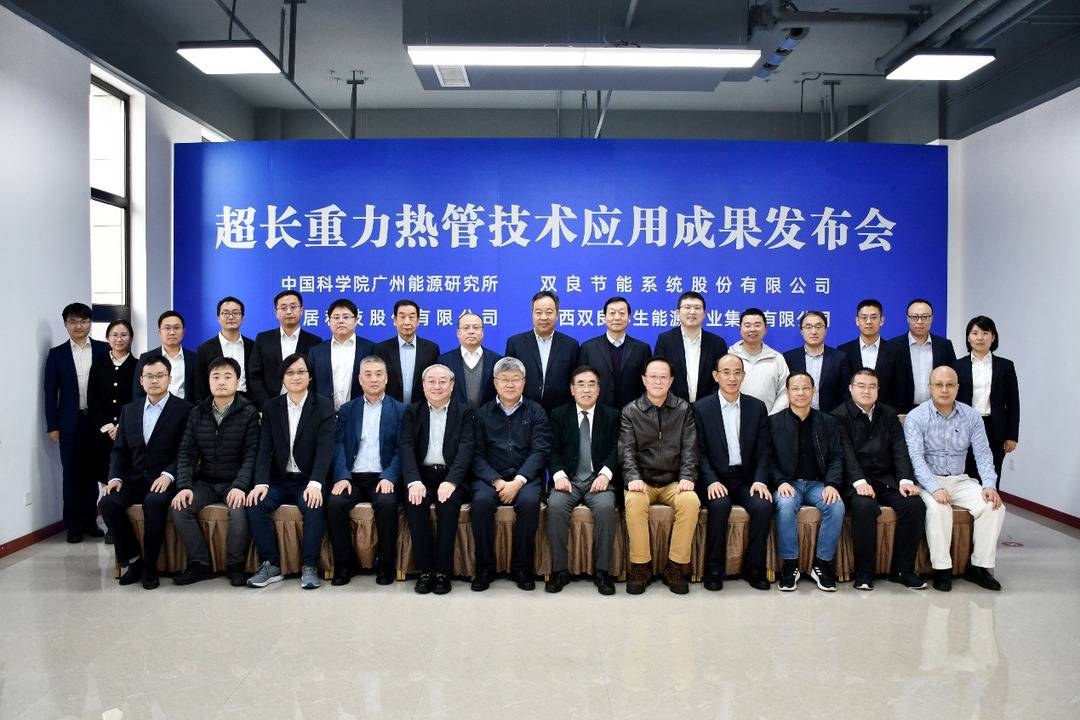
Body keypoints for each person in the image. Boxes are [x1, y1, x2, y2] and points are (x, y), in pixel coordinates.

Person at [904, 366, 1006, 592]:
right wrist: (934, 488)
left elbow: (983, 454)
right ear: (930, 387)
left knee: (993, 506)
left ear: (957, 388)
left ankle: (979, 567)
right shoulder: (916, 417)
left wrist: (989, 485)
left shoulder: (971, 416)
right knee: (939, 508)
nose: (944, 389)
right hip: (927, 480)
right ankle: (942, 569)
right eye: (939, 385)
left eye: (950, 385)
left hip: (960, 480)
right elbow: (916, 459)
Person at [99, 356, 193, 589]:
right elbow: (120, 450)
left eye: (160, 376)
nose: (154, 380)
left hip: (165, 479)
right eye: (149, 376)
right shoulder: (129, 410)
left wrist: (168, 475)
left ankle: (150, 566)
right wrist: (115, 477)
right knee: (107, 502)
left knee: (154, 502)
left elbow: (187, 451)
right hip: (134, 478)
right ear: (141, 380)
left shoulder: (185, 409)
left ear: (169, 378)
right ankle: (134, 560)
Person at [246, 353, 337, 590]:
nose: (296, 377)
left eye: (301, 372)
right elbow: (264, 448)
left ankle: (309, 566)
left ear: (310, 376)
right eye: (290, 373)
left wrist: (316, 483)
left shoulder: (323, 405)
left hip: (308, 479)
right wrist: (261, 482)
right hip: (279, 479)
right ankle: (271, 565)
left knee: (314, 505)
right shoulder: (271, 407)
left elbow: (325, 449)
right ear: (282, 378)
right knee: (255, 503)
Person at [831, 369, 927, 590]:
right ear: (851, 389)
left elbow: (899, 449)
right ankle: (865, 572)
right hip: (855, 481)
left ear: (878, 389)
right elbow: (844, 453)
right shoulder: (838, 416)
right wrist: (859, 482)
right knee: (865, 507)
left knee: (914, 505)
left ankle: (902, 571)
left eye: (872, 386)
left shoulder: (888, 414)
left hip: (885, 478)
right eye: (861, 386)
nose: (867, 390)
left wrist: (905, 480)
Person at [171, 357, 259, 587]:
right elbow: (186, 453)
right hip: (206, 482)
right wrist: (184, 486)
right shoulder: (197, 412)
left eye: (228, 377)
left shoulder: (249, 412)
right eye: (216, 377)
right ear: (208, 381)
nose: (221, 382)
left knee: (239, 511)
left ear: (238, 381)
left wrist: (240, 486)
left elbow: (252, 455)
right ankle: (200, 563)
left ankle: (235, 564)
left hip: (235, 482)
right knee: (179, 507)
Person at [693, 354, 773, 592]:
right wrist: (710, 480)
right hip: (716, 478)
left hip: (746, 479)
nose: (732, 377)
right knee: (719, 506)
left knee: (763, 506)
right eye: (726, 372)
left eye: (737, 372)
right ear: (716, 376)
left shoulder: (756, 407)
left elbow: (764, 450)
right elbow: (698, 452)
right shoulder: (701, 408)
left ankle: (754, 568)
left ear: (743, 376)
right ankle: (713, 569)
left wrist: (760, 480)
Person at [470, 357, 551, 591]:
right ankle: (485, 567)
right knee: (481, 502)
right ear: (495, 382)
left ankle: (522, 568)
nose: (510, 384)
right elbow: (476, 455)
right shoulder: (482, 413)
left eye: (515, 379)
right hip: (490, 478)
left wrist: (518, 481)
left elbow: (540, 450)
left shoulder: (536, 411)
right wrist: (496, 481)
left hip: (525, 477)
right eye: (504, 379)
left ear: (524, 382)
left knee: (529, 502)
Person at [620, 356, 699, 595]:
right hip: (642, 482)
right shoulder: (631, 411)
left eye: (663, 377)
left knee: (691, 501)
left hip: (673, 482)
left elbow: (690, 447)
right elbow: (626, 450)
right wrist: (633, 477)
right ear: (644, 380)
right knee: (634, 502)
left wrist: (687, 476)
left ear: (671, 381)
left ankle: (675, 566)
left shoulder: (683, 409)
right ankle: (641, 566)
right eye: (653, 376)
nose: (658, 381)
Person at [326, 355, 405, 586]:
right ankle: (345, 565)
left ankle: (386, 565)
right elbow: (338, 445)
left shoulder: (400, 410)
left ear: (386, 378)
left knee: (387, 503)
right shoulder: (348, 409)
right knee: (335, 503)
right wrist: (342, 476)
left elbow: (403, 449)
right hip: (353, 477)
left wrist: (390, 476)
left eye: (379, 374)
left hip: (383, 476)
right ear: (359, 379)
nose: (373, 379)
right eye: (368, 375)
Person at [400, 364, 474, 594]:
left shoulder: (464, 412)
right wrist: (413, 481)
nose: (437, 386)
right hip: (421, 476)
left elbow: (466, 449)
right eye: (431, 381)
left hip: (451, 475)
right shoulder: (412, 412)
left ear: (452, 385)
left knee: (448, 504)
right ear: (423, 386)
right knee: (415, 502)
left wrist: (451, 481)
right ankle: (425, 571)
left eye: (443, 381)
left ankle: (442, 571)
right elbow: (406, 447)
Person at [545, 366, 619, 596]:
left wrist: (605, 474)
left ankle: (603, 571)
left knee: (606, 508)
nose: (586, 390)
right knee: (555, 506)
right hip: (569, 479)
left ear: (599, 389)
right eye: (581, 384)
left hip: (599, 480)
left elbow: (618, 450)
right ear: (572, 389)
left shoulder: (612, 415)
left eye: (591, 384)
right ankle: (559, 571)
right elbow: (551, 450)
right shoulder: (558, 415)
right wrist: (558, 475)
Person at [770, 372, 845, 592]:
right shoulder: (773, 422)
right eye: (795, 388)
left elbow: (837, 457)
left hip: (817, 484)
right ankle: (790, 565)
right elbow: (766, 458)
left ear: (813, 391)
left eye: (805, 388)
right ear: (787, 392)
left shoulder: (828, 421)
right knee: (785, 505)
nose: (801, 393)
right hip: (787, 484)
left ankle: (822, 564)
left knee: (836, 505)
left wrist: (832, 484)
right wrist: (780, 481)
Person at [43, 302, 109, 542]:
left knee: (93, 473)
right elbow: (50, 392)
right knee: (71, 475)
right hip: (69, 423)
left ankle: (91, 521)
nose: (78, 326)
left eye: (83, 321)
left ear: (90, 323)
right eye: (73, 321)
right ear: (65, 324)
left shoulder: (103, 349)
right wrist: (53, 425)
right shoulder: (57, 354)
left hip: (97, 422)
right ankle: (72, 526)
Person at [952, 316, 1020, 488]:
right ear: (968, 337)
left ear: (993, 337)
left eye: (985, 333)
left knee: (992, 475)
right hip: (965, 426)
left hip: (994, 428)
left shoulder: (1005, 366)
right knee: (968, 476)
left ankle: (991, 504)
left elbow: (1013, 403)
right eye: (975, 333)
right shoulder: (957, 366)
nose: (980, 337)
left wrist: (1012, 436)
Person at [88, 319, 137, 517]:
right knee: (103, 475)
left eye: (124, 335)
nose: (119, 339)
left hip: (128, 433)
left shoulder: (137, 365)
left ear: (131, 338)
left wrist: (122, 427)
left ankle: (122, 520)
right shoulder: (98, 365)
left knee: (125, 475)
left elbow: (137, 401)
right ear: (107, 338)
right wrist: (108, 426)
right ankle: (108, 520)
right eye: (114, 335)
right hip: (103, 433)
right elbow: (93, 399)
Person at [504, 290, 580, 414]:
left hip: (560, 414)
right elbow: (508, 379)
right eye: (538, 312)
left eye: (549, 312)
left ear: (557, 314)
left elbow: (575, 382)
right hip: (523, 412)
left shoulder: (571, 345)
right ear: (532, 314)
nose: (543, 317)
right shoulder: (515, 343)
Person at [247, 290, 322, 410]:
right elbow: (254, 375)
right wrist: (267, 404)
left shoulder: (314, 341)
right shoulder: (263, 339)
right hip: (269, 405)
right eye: (283, 307)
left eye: (293, 307)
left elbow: (316, 377)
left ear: (301, 311)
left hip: (304, 406)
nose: (289, 311)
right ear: (276, 313)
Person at [653, 291, 728, 403]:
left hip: (708, 406)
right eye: (687, 307)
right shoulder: (665, 340)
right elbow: (659, 374)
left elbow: (722, 377)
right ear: (678, 312)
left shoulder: (717, 343)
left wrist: (707, 404)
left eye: (697, 308)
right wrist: (675, 404)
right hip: (672, 407)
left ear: (704, 313)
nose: (692, 312)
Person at [577, 296, 650, 410]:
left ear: (629, 318)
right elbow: (580, 383)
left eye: (622, 313)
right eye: (612, 313)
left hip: (633, 413)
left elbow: (647, 384)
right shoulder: (588, 348)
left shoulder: (642, 349)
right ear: (604, 317)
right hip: (598, 412)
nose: (617, 317)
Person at [889, 298, 956, 413]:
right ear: (908, 319)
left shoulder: (944, 346)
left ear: (931, 319)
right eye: (915, 317)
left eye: (925, 317)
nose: (920, 322)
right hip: (902, 411)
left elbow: (952, 377)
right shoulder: (893, 346)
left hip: (937, 409)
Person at [309, 299, 375, 409]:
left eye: (346, 317)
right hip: (324, 413)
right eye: (336, 317)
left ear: (356, 320)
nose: (341, 321)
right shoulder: (316, 351)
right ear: (329, 321)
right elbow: (311, 386)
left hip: (360, 411)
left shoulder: (369, 349)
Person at [374, 299, 440, 406]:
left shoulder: (431, 349)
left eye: (411, 317)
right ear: (395, 320)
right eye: (402, 317)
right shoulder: (381, 349)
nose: (407, 322)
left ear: (418, 320)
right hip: (390, 408)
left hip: (421, 409)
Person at [782, 311, 851, 413]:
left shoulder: (839, 358)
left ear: (825, 330)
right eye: (808, 327)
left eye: (818, 327)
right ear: (801, 331)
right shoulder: (789, 357)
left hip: (831, 417)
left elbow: (846, 393)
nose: (813, 331)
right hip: (797, 417)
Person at [837, 299, 899, 408]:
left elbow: (899, 386)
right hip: (851, 413)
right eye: (864, 317)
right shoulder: (844, 351)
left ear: (882, 320)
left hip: (885, 413)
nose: (869, 322)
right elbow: (842, 388)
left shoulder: (895, 350)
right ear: (857, 320)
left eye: (874, 317)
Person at [193, 296, 253, 403]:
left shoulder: (253, 346)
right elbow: (200, 385)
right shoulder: (205, 349)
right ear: (218, 318)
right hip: (216, 404)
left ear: (242, 318)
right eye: (225, 313)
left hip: (249, 404)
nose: (231, 317)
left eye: (235, 313)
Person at [729, 307, 789, 414]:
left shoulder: (776, 358)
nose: (752, 329)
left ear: (765, 329)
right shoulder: (729, 356)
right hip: (734, 418)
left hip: (769, 419)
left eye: (757, 325)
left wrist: (773, 417)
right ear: (740, 329)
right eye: (747, 325)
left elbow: (785, 392)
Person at [437, 311, 500, 410]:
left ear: (482, 332)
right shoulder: (444, 360)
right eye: (466, 328)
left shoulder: (496, 360)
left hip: (487, 417)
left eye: (476, 327)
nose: (471, 331)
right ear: (458, 333)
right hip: (456, 417)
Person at [133, 311, 197, 401]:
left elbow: (198, 392)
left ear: (183, 331)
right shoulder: (146, 358)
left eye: (176, 328)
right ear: (159, 332)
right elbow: (138, 392)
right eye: (167, 328)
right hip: (154, 408)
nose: (172, 332)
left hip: (186, 408)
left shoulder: (194, 358)